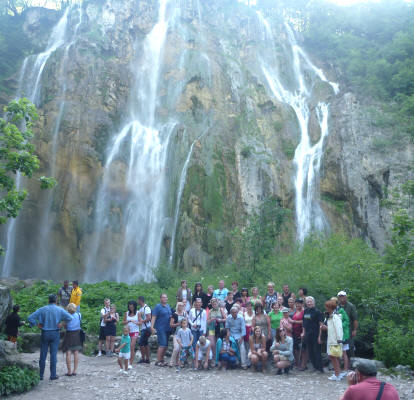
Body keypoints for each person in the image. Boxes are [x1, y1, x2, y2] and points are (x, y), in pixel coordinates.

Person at [27, 294, 72, 380]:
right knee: (53, 355)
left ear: (48, 300)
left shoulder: (42, 309)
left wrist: (36, 324)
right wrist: (62, 324)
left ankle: (40, 375)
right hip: (55, 333)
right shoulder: (60, 309)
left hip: (45, 333)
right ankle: (53, 375)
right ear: (56, 300)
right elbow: (70, 318)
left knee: (43, 354)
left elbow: (30, 318)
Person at [320, 300, 343, 381]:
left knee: (334, 356)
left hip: (335, 340)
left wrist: (339, 339)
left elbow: (338, 328)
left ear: (331, 307)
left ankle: (337, 374)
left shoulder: (335, 317)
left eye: (327, 307)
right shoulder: (329, 316)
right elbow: (330, 328)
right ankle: (337, 373)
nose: (326, 308)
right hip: (330, 339)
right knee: (332, 356)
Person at [302, 296, 324, 373]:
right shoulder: (305, 311)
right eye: (307, 302)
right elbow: (304, 323)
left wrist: (320, 336)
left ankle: (320, 369)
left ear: (313, 302)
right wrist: (303, 332)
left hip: (316, 334)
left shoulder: (318, 312)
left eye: (310, 301)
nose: (309, 303)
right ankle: (315, 367)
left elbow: (321, 324)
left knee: (317, 351)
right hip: (308, 334)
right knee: (310, 352)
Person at [151, 293, 172, 366]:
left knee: (165, 345)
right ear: (160, 299)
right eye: (163, 297)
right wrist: (152, 327)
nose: (165, 299)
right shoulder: (157, 307)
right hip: (160, 328)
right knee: (162, 344)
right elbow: (153, 317)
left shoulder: (168, 306)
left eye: (166, 297)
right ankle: (158, 360)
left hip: (168, 328)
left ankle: (162, 360)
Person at [62, 303, 82, 377]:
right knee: (76, 352)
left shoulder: (67, 316)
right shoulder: (79, 315)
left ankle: (69, 371)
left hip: (69, 334)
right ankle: (75, 371)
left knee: (68, 352)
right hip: (77, 334)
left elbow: (64, 326)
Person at [332, 296, 351, 376]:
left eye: (334, 302)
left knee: (343, 352)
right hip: (335, 335)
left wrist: (339, 325)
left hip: (343, 335)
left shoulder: (341, 310)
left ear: (337, 303)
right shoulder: (331, 311)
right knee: (336, 352)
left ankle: (346, 369)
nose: (332, 304)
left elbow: (347, 321)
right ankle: (338, 369)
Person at [338, 291, 358, 357]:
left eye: (343, 296)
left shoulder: (351, 306)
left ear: (346, 297)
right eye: (340, 296)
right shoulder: (337, 306)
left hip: (349, 329)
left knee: (350, 346)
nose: (341, 298)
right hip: (339, 330)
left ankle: (352, 363)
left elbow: (355, 319)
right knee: (340, 346)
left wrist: (354, 330)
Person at [207, 297, 226, 363]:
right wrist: (211, 320)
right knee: (213, 344)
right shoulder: (210, 311)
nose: (214, 305)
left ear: (217, 303)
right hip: (212, 328)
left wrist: (220, 320)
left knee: (220, 343)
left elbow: (226, 319)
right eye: (213, 304)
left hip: (220, 327)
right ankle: (214, 358)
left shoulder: (221, 310)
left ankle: (220, 358)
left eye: (215, 304)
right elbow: (208, 321)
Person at [169, 301, 187, 367]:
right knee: (176, 348)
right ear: (177, 306)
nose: (180, 307)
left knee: (181, 349)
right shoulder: (174, 314)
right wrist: (177, 324)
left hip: (183, 334)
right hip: (176, 334)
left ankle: (179, 362)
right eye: (179, 305)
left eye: (182, 305)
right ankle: (171, 362)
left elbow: (186, 323)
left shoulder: (185, 314)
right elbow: (171, 324)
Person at [290, 298, 306, 369]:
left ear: (302, 304)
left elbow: (304, 321)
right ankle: (297, 362)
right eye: (296, 303)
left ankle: (302, 364)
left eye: (299, 303)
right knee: (295, 347)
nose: (297, 305)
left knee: (302, 348)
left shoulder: (304, 311)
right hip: (294, 332)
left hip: (301, 332)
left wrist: (294, 322)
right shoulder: (295, 311)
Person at [123, 300, 139, 368]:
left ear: (134, 307)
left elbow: (141, 322)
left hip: (135, 331)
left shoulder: (138, 313)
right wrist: (129, 321)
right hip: (128, 331)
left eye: (132, 307)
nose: (131, 308)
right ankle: (127, 360)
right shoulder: (126, 313)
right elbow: (123, 322)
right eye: (130, 307)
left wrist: (136, 322)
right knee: (128, 347)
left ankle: (130, 363)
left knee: (132, 346)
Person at [137, 296, 151, 364]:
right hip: (143, 328)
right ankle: (147, 359)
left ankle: (143, 358)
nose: (137, 302)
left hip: (146, 328)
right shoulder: (141, 309)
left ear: (140, 300)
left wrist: (142, 321)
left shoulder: (146, 308)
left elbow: (149, 318)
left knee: (141, 343)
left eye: (138, 300)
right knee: (145, 343)